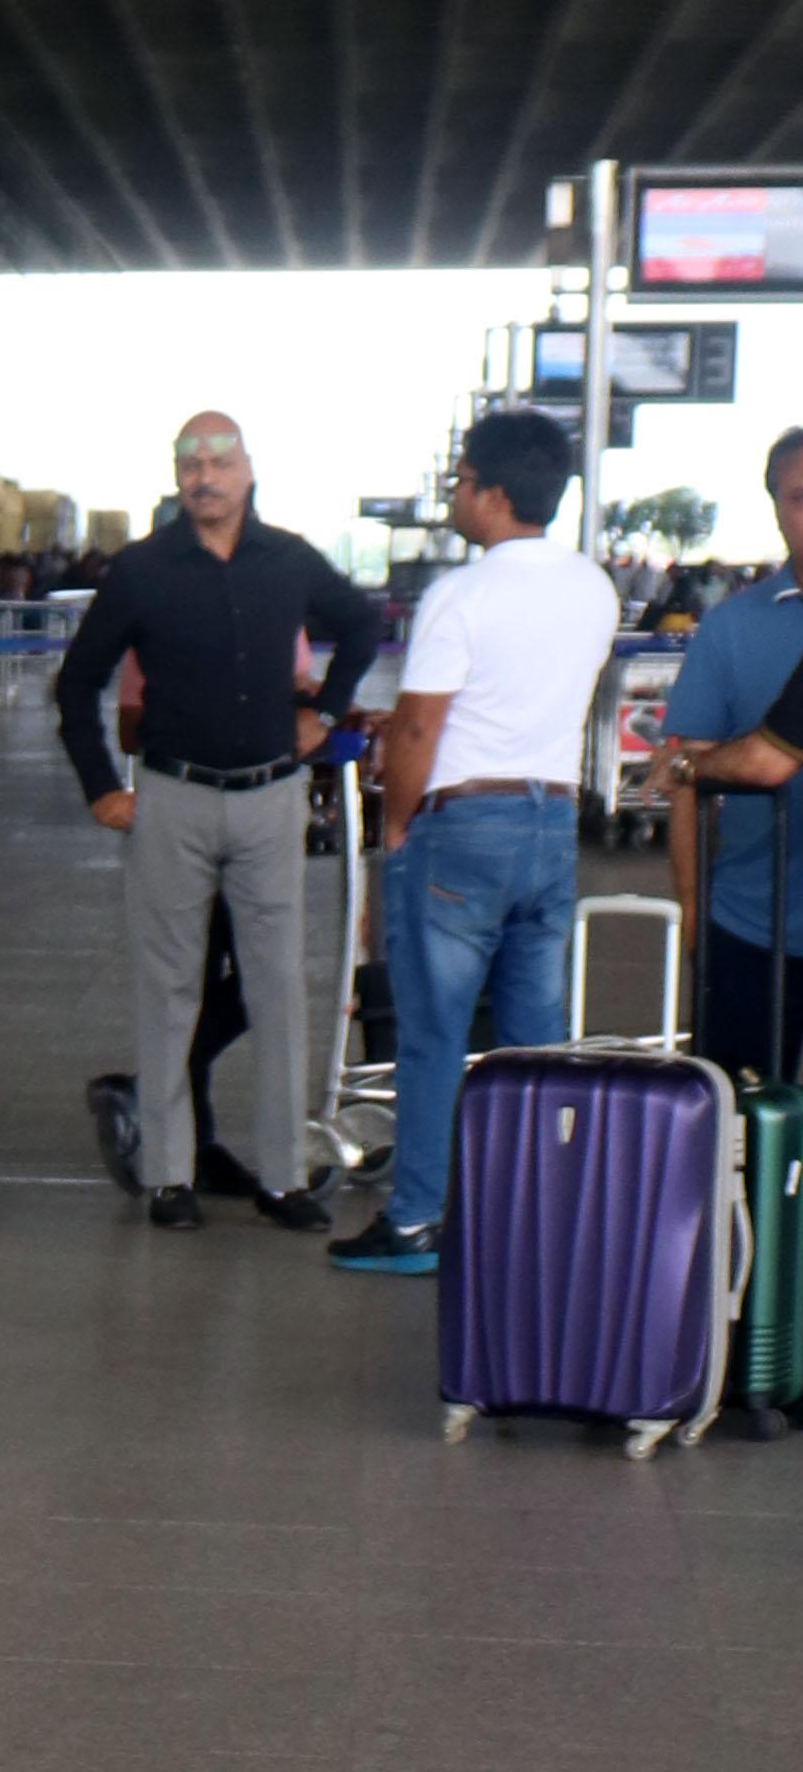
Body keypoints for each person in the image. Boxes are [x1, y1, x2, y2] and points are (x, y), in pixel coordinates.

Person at [52, 411, 374, 1235]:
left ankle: (282, 1178)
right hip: (174, 800)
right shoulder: (142, 571)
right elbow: (77, 682)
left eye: (219, 459)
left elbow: (366, 624)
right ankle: (168, 1176)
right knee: (168, 992)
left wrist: (326, 712)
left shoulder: (290, 561)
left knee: (277, 990)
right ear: (176, 475)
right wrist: (100, 788)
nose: (205, 475)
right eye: (189, 462)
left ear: (247, 470)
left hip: (271, 800)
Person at [329, 403, 617, 1273]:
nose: (454, 494)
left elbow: (418, 734)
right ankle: (543, 1221)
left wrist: (397, 834)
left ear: (493, 495)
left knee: (432, 1035)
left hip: (464, 830)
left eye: (460, 481)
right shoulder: (593, 588)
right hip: (550, 823)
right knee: (538, 1040)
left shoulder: (463, 594)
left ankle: (416, 1220)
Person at [648, 426, 803, 1073]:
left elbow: (750, 762)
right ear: (774, 506)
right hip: (749, 927)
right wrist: (693, 911)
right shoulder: (732, 626)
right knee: (737, 1128)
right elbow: (689, 786)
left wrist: (689, 765)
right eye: (798, 497)